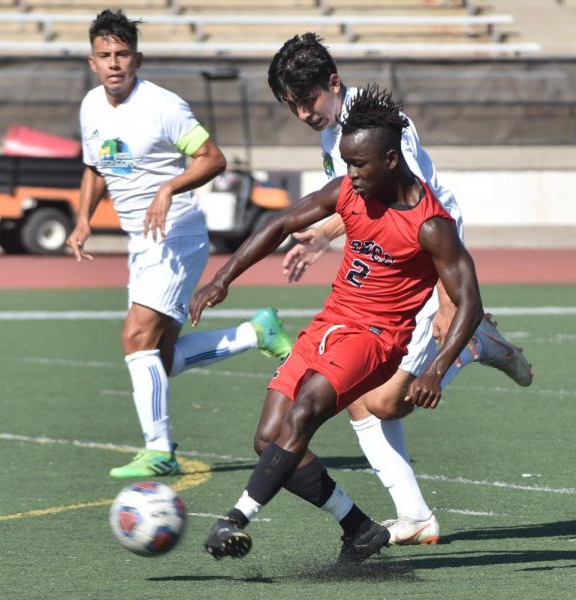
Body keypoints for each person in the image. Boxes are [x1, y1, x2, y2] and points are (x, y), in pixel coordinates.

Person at [190, 86, 484, 564]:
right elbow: (283, 222)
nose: (350, 175)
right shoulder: (351, 190)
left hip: (375, 340)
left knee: (304, 413)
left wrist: (436, 368)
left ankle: (236, 517)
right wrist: (222, 279)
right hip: (330, 323)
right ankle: (359, 527)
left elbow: (470, 301)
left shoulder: (431, 225)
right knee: (268, 440)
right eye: (346, 164)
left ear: (391, 159)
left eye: (359, 165)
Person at [266, 33, 533, 545]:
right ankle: (415, 516)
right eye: (292, 106)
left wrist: (450, 300)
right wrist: (321, 235)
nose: (302, 113)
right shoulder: (334, 137)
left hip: (424, 259)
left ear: (333, 83)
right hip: (398, 265)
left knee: (386, 402)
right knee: (364, 400)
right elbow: (360, 202)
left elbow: (417, 206)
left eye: (307, 101)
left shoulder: (384, 129)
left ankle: (469, 345)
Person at [68, 9, 293, 479]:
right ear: (92, 62)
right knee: (158, 356)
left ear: (138, 58)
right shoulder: (90, 106)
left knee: (135, 337)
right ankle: (256, 334)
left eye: (123, 54)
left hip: (176, 234)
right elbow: (94, 167)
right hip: (142, 239)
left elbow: (214, 159)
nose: (114, 63)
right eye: (105, 55)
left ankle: (159, 449)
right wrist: (82, 221)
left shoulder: (163, 106)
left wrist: (168, 188)